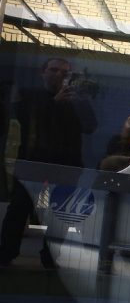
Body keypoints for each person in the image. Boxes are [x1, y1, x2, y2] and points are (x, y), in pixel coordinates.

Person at [0, 57, 97, 266]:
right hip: (33, 163)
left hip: (66, 166)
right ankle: (6, 252)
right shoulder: (30, 96)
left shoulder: (75, 101)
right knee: (19, 208)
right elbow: (27, 119)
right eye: (54, 70)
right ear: (42, 72)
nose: (59, 75)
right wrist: (55, 103)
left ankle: (51, 257)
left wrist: (79, 102)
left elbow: (90, 126)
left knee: (59, 213)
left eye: (64, 72)